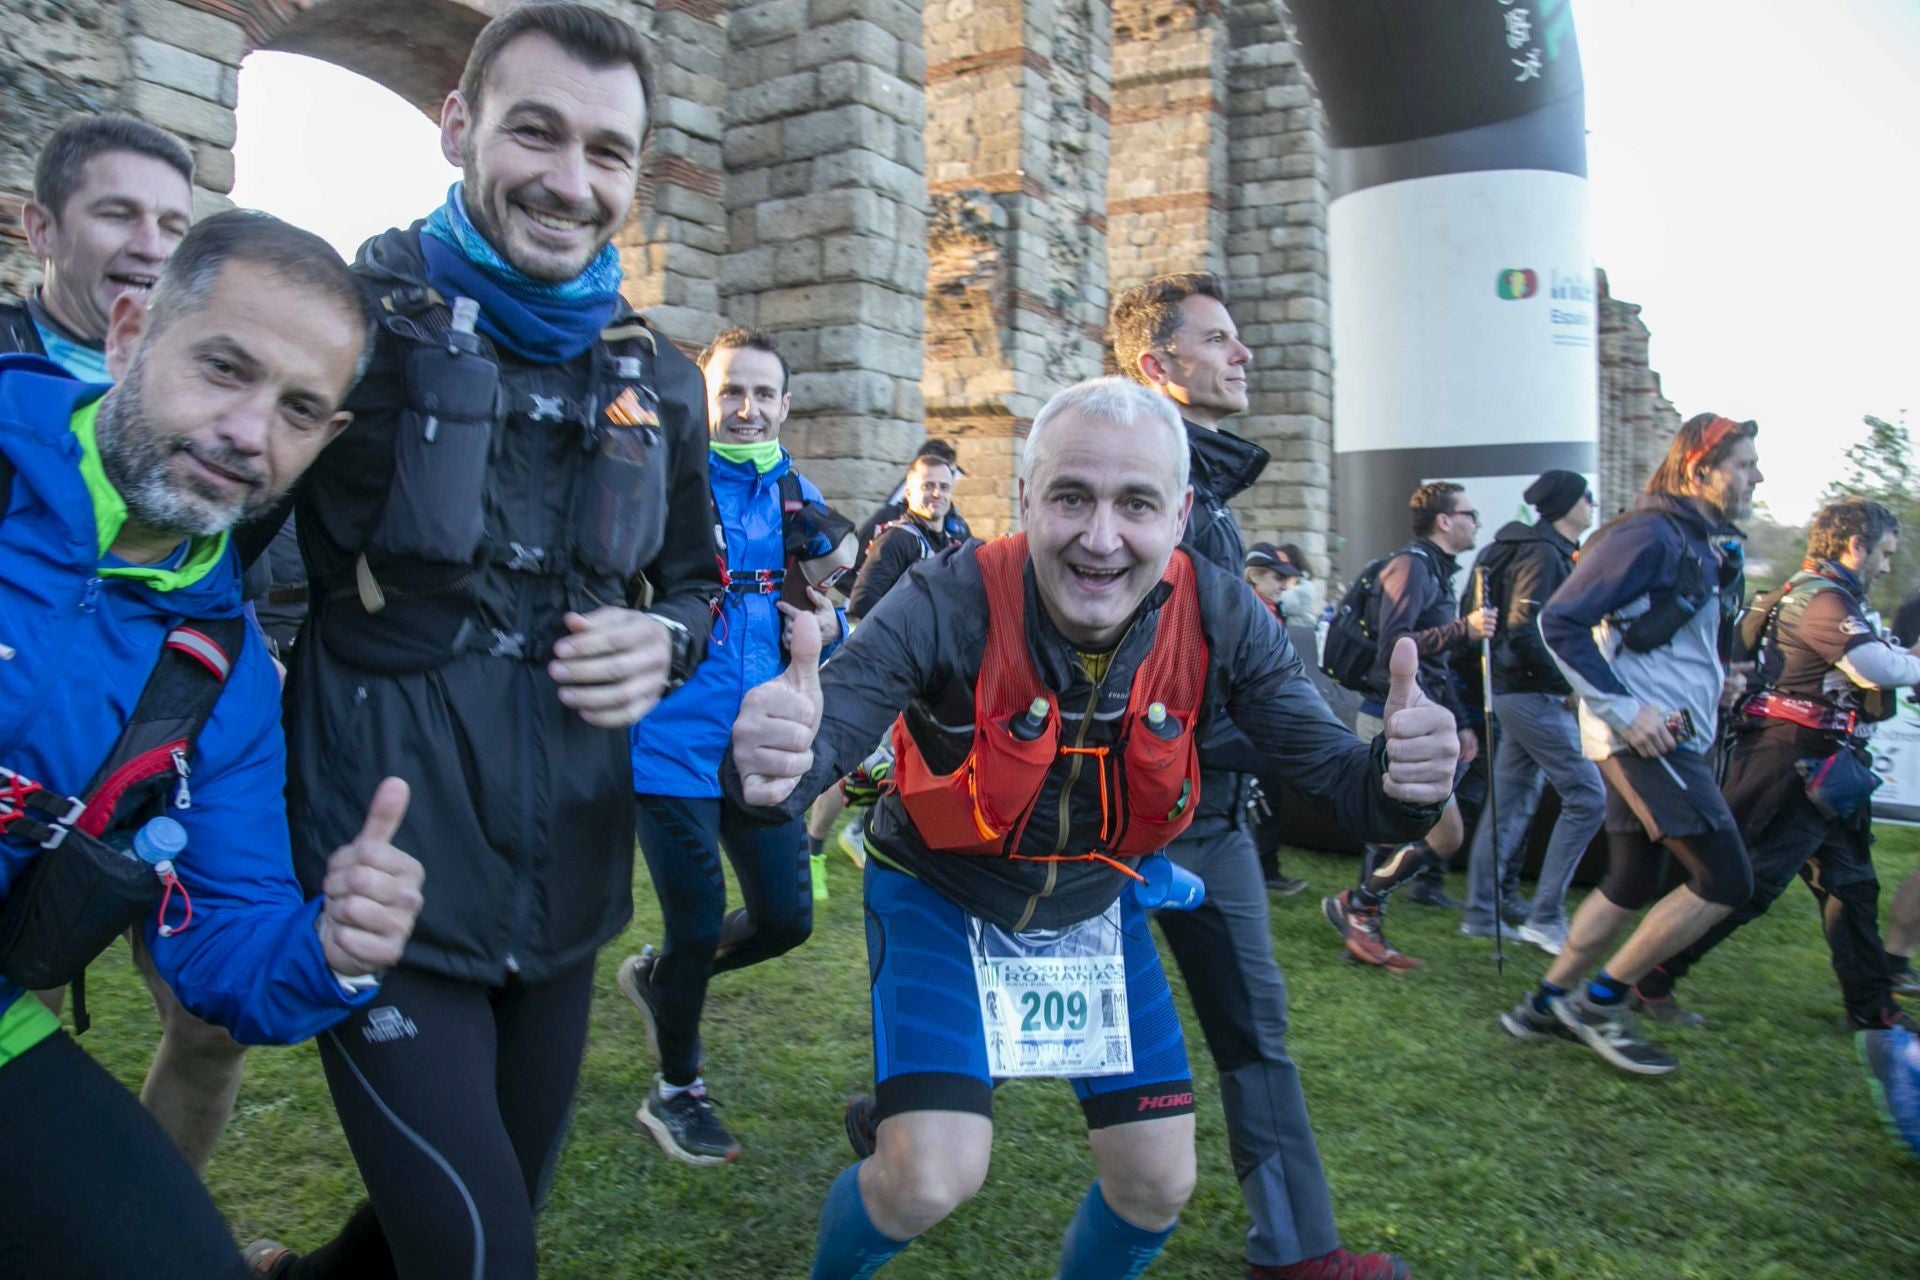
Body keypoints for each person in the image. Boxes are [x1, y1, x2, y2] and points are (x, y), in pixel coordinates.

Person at [731, 377, 1454, 1280]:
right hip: (942, 893)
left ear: (1182, 512)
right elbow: (823, 732)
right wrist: (774, 762)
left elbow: (1343, 784)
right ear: (1026, 499)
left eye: (1137, 504)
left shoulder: (1223, 611)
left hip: (1090, 903)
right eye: (1071, 496)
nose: (1101, 538)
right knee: (927, 1179)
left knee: (1157, 1183)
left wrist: (1405, 782)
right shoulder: (945, 597)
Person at [247, 7, 721, 1278]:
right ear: (457, 126)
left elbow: (694, 580)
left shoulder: (662, 376)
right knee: (479, 1256)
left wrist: (667, 637)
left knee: (453, 1222)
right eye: (536, 131)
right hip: (381, 875)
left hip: (566, 883)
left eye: (609, 152)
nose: (572, 183)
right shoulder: (348, 326)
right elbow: (201, 559)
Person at [0, 210, 424, 1279]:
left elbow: (227, 948)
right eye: (224, 369)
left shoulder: (221, 670)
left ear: (325, 443)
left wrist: (328, 948)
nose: (248, 432)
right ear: (130, 330)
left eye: (296, 410)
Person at [1116, 273, 1413, 1279]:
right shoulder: (1140, 497)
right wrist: (1323, 740)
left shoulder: (1211, 496)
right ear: (1158, 366)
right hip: (1124, 819)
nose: (1243, 355)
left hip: (1206, 814)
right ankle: (909, 1114)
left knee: (1253, 1023)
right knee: (1036, 995)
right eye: (1220, 338)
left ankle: (1296, 1249)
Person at [2, 111, 273, 1178]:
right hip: (41, 749)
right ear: (40, 227)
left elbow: (262, 547)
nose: (152, 240)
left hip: (169, 742)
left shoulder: (230, 385)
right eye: (118, 211)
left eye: (173, 218)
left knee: (212, 1024)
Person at [616, 326, 847, 1165]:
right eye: (730, 393)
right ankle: (677, 1090)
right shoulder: (663, 479)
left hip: (766, 741)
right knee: (696, 919)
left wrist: (833, 623)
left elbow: (835, 606)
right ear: (706, 401)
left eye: (762, 395)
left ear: (786, 405)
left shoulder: (799, 493)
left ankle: (662, 981)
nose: (746, 409)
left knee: (787, 921)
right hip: (669, 739)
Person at [1500, 413, 1762, 1075]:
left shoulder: (1695, 540)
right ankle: (1597, 1003)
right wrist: (1626, 709)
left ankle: (1545, 1000)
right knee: (1726, 877)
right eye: (1745, 465)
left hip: (1660, 732)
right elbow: (1559, 621)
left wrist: (1719, 678)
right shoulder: (1648, 532)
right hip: (1648, 738)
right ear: (1700, 470)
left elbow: (1659, 636)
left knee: (1631, 878)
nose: (1758, 476)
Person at [1630, 499, 1920, 1034]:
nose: (1884, 566)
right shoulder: (1822, 600)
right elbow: (1872, 666)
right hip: (1791, 763)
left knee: (1852, 888)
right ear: (1854, 545)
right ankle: (1647, 977)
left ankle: (1873, 1010)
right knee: (1741, 886)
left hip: (1825, 764)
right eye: (1882, 554)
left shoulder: (1827, 597)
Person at [1323, 482, 1496, 970]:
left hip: (1422, 720)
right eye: (1470, 513)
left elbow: (1434, 670)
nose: (1476, 522)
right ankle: (1361, 918)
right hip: (1389, 716)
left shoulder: (1434, 571)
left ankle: (1357, 906)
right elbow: (1397, 645)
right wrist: (1465, 629)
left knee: (1444, 838)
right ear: (1445, 520)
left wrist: (1460, 723)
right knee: (1391, 830)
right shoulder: (1413, 566)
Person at [1458, 471, 1603, 954]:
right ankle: (1546, 916)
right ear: (1566, 504)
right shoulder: (1543, 553)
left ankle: (1482, 913)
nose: (1592, 504)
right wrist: (1570, 685)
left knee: (1510, 802)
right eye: (1586, 497)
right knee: (1587, 795)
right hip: (1531, 694)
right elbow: (1526, 631)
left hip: (1514, 692)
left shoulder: (1536, 548)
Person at [1243, 543, 1311, 896]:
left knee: (1267, 796)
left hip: (1263, 720)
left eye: (1286, 578)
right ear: (1254, 575)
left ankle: (1263, 869)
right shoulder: (1250, 610)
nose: (1284, 584)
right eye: (1277, 577)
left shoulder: (1269, 609)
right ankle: (1263, 871)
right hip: (1250, 724)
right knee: (1262, 796)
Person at [844, 447, 963, 619]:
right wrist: (911, 626)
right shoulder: (896, 539)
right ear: (908, 493)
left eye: (944, 487)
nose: (937, 493)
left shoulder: (955, 541)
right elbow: (863, 600)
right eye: (927, 486)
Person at [849, 436, 971, 578]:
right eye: (929, 484)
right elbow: (849, 570)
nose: (938, 491)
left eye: (947, 479)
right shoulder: (889, 520)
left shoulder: (958, 527)